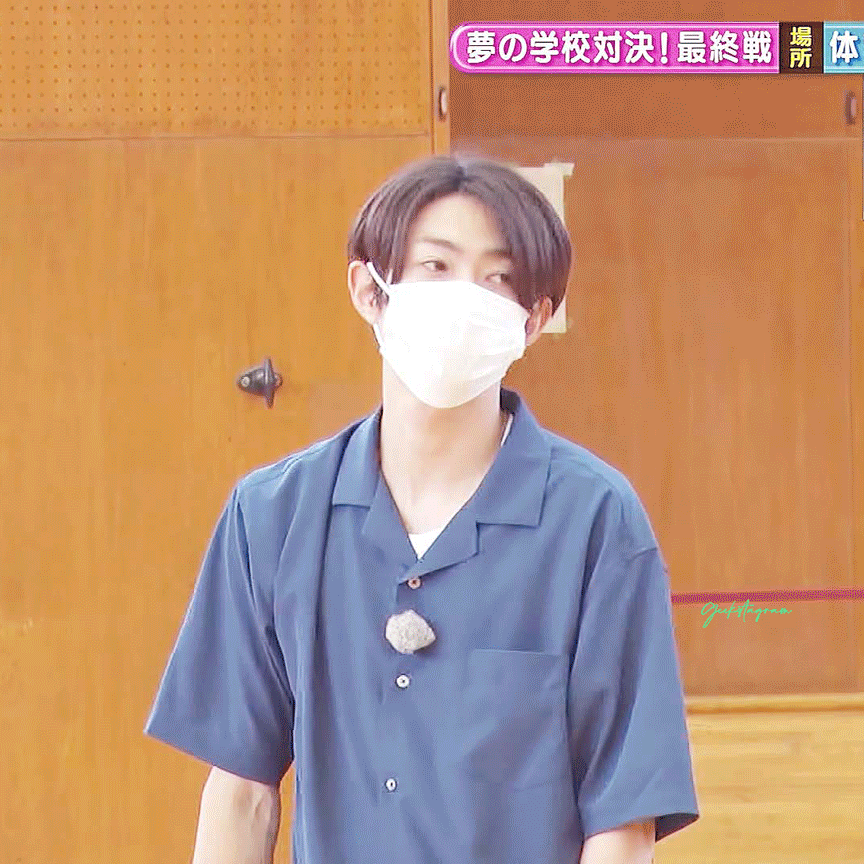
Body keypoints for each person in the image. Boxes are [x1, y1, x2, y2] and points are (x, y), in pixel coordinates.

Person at [144, 154, 699, 864]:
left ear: (533, 320)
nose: (466, 297)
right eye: (436, 266)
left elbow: (622, 821)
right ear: (369, 290)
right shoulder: (272, 516)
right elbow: (241, 792)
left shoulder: (595, 522)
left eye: (498, 279)